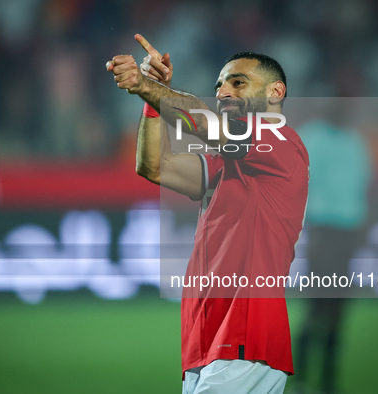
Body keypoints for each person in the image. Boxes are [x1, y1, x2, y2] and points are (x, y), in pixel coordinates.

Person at [106, 34, 309, 393]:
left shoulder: (281, 142)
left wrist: (146, 86)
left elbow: (205, 125)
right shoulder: (226, 164)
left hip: (245, 336)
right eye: (219, 85)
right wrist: (151, 99)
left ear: (275, 93)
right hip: (207, 341)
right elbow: (154, 167)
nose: (223, 91)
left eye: (238, 82)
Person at [292, 102, 372, 394]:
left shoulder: (355, 142)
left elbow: (361, 187)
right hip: (323, 231)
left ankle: (327, 379)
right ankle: (300, 376)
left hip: (346, 234)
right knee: (316, 306)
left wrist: (362, 228)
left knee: (338, 308)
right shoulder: (313, 138)